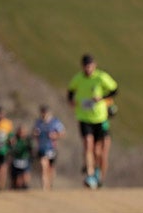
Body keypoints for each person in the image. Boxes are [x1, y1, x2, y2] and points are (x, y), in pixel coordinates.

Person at [68, 53, 118, 189]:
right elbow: (70, 91)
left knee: (99, 151)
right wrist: (72, 101)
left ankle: (99, 176)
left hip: (100, 118)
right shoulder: (78, 79)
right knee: (88, 145)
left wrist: (102, 98)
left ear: (94, 66)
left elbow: (114, 90)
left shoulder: (101, 77)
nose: (88, 69)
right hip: (84, 117)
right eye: (85, 66)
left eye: (90, 66)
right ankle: (90, 175)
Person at [32, 104, 65, 190]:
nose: (43, 114)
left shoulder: (55, 122)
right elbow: (34, 133)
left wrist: (55, 135)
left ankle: (50, 184)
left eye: (45, 112)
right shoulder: (38, 122)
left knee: (51, 168)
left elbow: (62, 133)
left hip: (51, 148)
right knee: (43, 165)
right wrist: (35, 134)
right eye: (42, 112)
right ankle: (44, 186)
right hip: (41, 148)